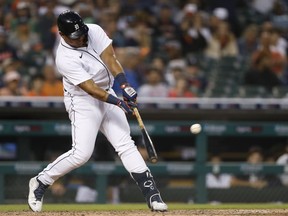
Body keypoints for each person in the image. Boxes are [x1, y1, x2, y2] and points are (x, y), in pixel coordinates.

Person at [28, 10, 167, 212]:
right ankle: (41, 181)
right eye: (75, 37)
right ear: (62, 34)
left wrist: (124, 85)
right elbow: (91, 89)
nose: (81, 38)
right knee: (81, 154)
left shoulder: (93, 30)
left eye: (82, 33)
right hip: (82, 100)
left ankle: (152, 195)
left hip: (108, 91)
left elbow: (110, 58)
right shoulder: (64, 58)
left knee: (125, 144)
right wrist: (118, 103)